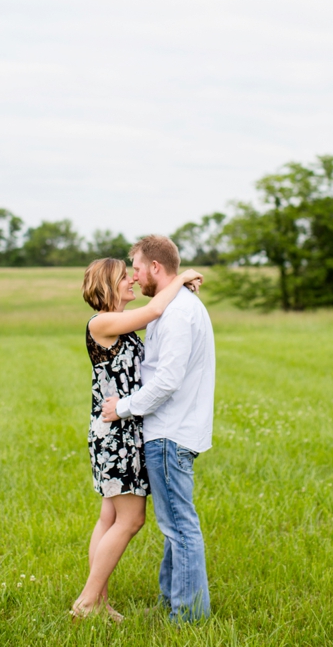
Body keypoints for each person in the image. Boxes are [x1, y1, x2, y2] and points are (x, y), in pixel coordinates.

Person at [73, 257, 203, 621]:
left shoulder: (120, 326)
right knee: (130, 521)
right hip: (116, 434)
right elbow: (157, 307)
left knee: (109, 517)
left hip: (119, 428)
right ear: (106, 285)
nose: (131, 280)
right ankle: (87, 602)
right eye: (123, 277)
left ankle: (98, 601)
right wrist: (182, 278)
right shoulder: (103, 322)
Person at [102, 234, 216, 622]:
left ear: (155, 267)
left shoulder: (179, 312)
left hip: (169, 432)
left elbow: (166, 381)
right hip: (173, 429)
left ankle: (188, 617)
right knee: (174, 527)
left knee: (179, 527)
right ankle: (173, 602)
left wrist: (124, 409)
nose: (133, 276)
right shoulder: (174, 305)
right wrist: (183, 278)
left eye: (135, 267)